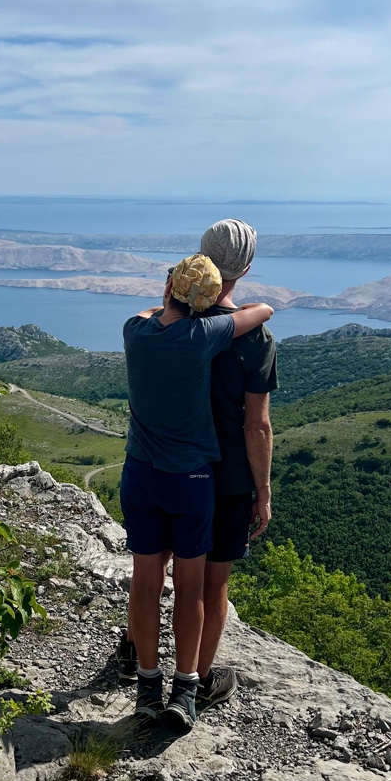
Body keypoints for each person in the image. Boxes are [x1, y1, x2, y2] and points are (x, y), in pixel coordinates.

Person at [118, 254, 273, 730]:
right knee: (190, 587)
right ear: (206, 301)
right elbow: (260, 311)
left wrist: (169, 296)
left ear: (168, 291)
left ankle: (146, 686)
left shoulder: (135, 332)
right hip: (192, 482)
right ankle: (185, 690)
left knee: (145, 583)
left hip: (140, 474)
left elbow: (150, 313)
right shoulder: (203, 336)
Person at [194, 219, 278, 712]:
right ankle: (199, 679)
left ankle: (134, 652)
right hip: (226, 479)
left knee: (153, 565)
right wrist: (263, 493)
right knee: (214, 579)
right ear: (246, 267)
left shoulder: (171, 321)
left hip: (170, 467)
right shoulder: (254, 338)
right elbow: (257, 426)